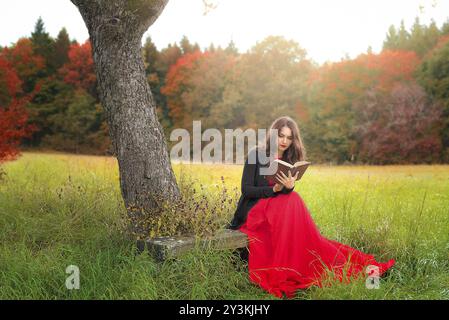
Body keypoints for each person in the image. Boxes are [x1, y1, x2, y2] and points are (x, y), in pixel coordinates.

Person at [227, 116, 395, 299]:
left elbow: (283, 193)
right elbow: (246, 189)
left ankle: (362, 266)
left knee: (293, 198)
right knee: (292, 200)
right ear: (273, 135)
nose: (284, 141)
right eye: (281, 136)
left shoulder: (288, 158)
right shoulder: (256, 154)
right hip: (253, 211)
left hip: (276, 209)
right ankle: (302, 250)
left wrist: (288, 187)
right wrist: (273, 189)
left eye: (289, 138)